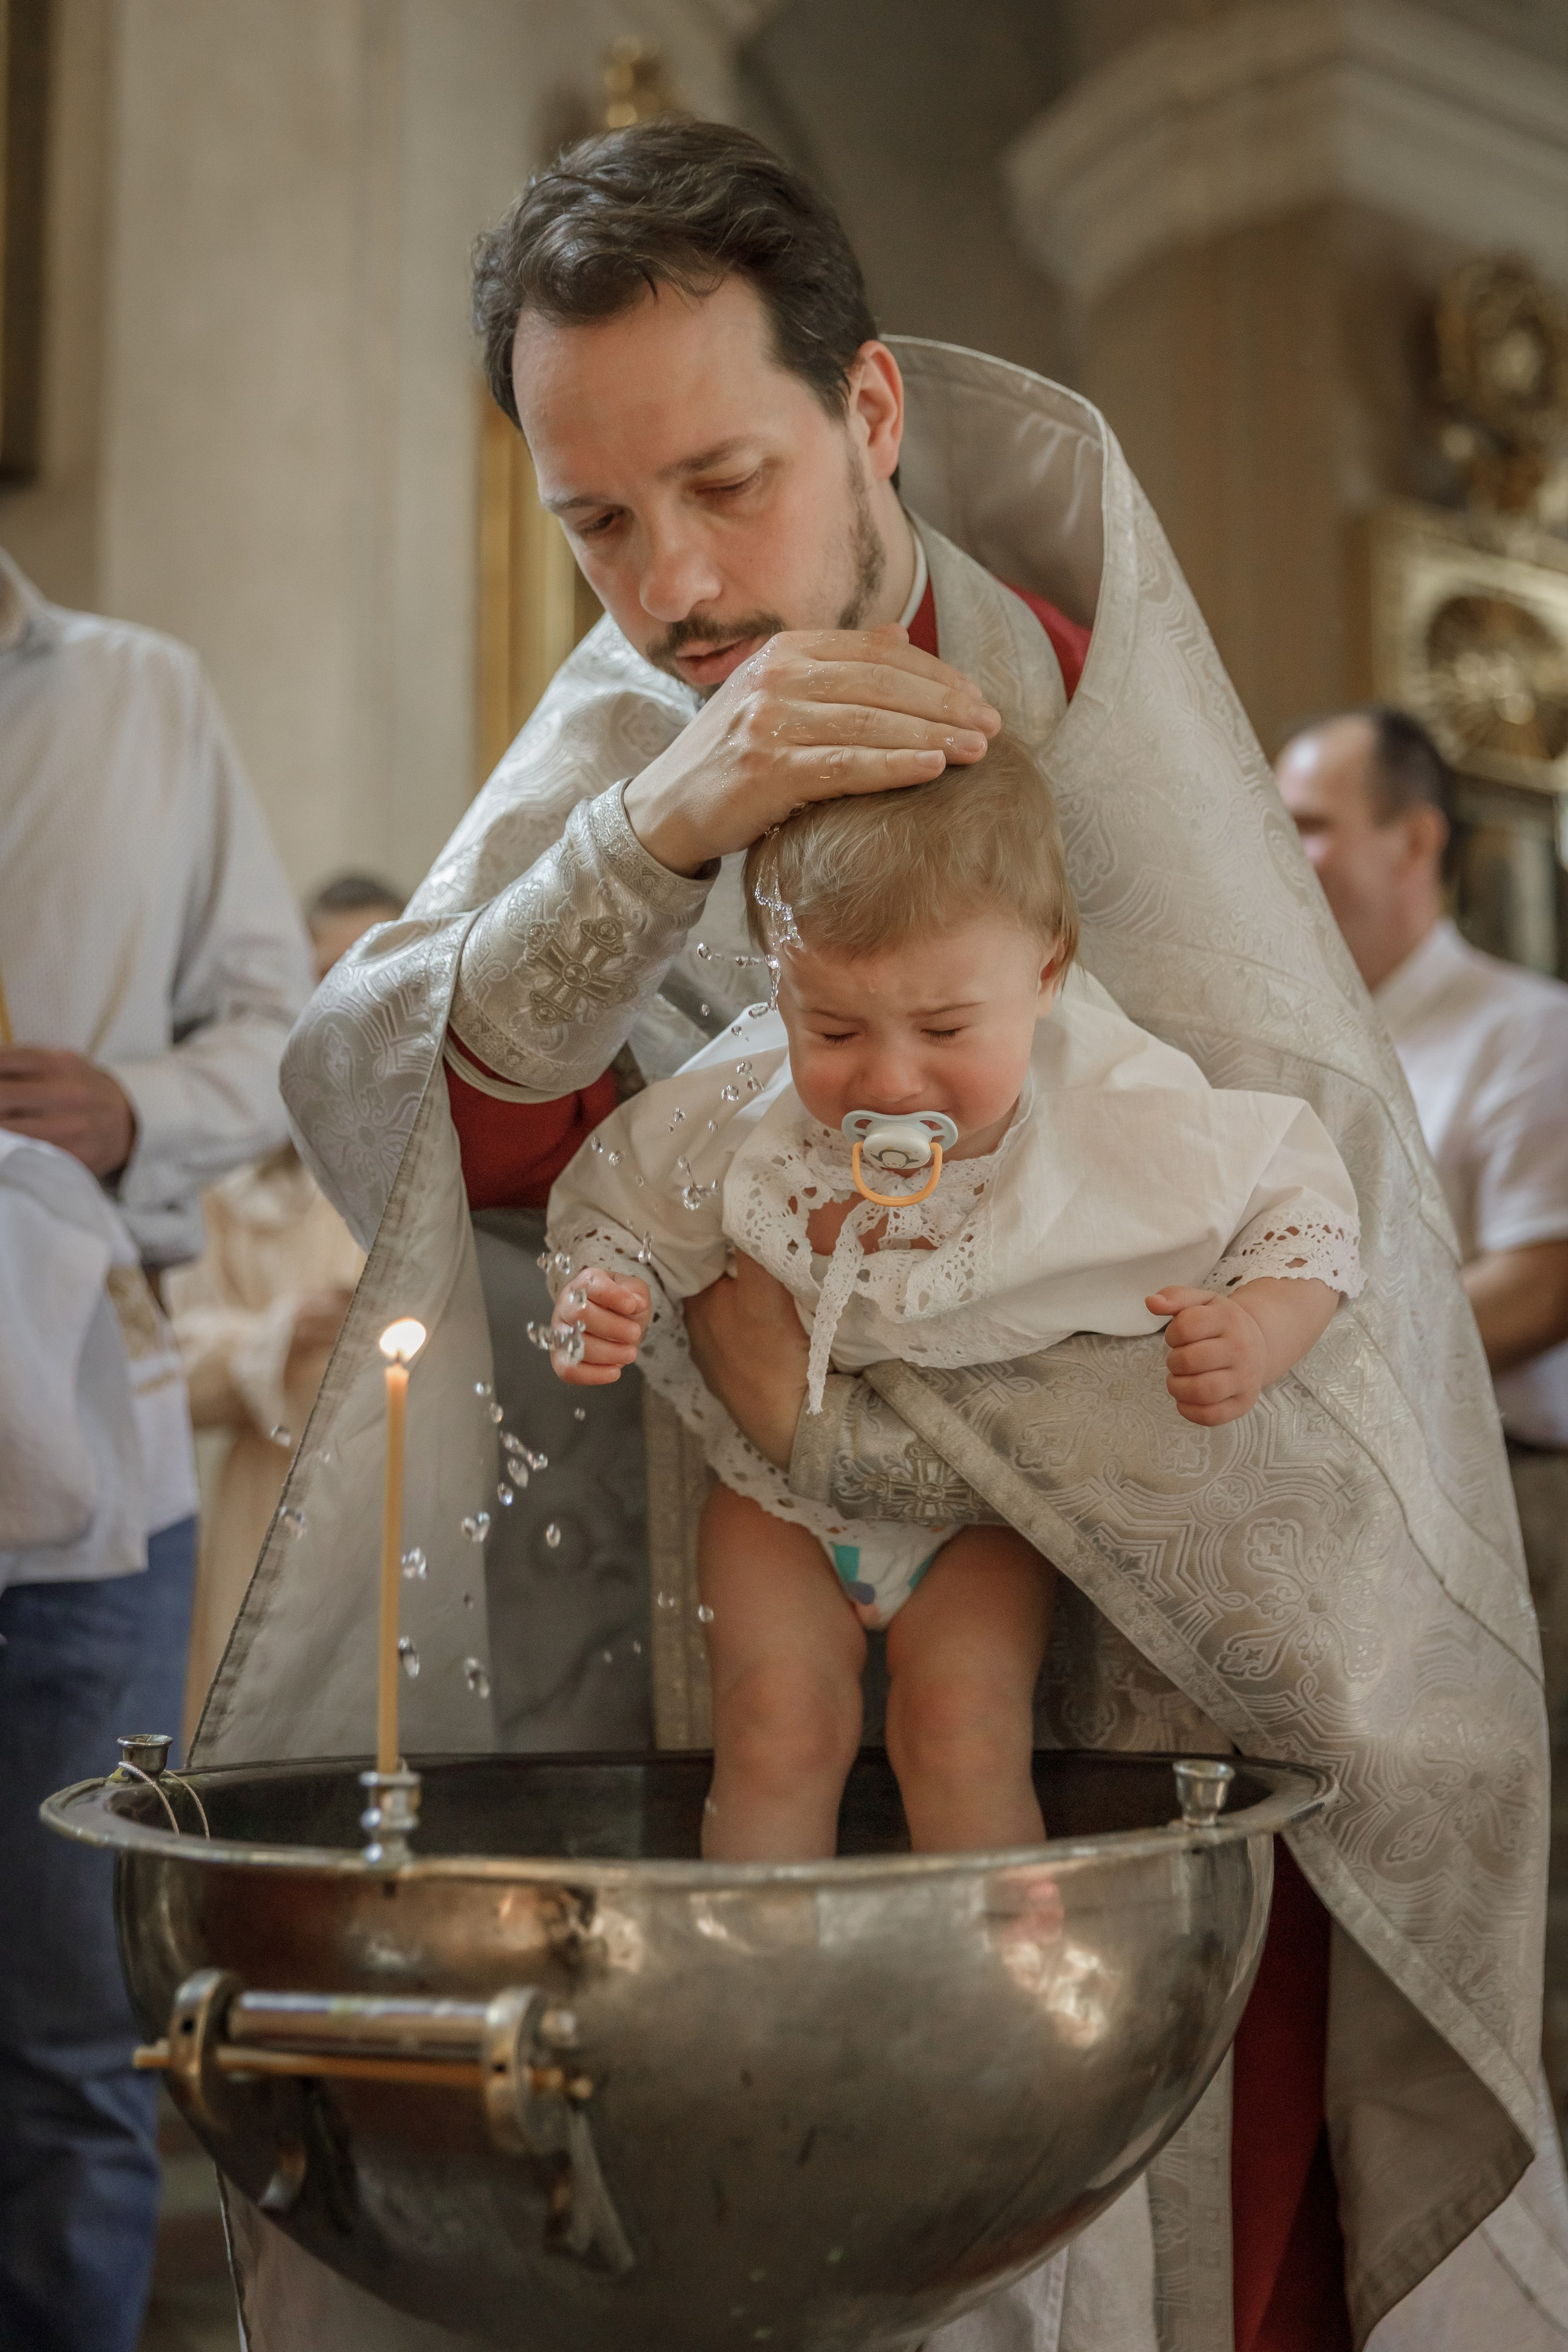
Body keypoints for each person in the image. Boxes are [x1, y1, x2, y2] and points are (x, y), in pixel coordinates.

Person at [215, 122, 1563, 2352]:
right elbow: (424, 1123)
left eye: (725, 481)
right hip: (734, 1605)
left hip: (1149, 1637)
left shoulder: (1091, 711)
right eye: (598, 522)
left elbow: (1291, 1175)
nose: (673, 586)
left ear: (866, 413)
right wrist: (647, 847)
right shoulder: (623, 737)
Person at [547, 736, 1359, 1861]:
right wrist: (604, 1292)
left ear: (1044, 973)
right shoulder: (744, 1116)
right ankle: (753, 1994)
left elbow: (1300, 1194)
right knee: (775, 1734)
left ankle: (997, 1994)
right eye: (831, 1030)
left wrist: (1262, 1324)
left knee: (964, 1735)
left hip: (975, 1518)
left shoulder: (1112, 1110)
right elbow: (616, 1208)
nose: (886, 1081)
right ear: (778, 988)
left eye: (943, 1032)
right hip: (772, 1504)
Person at [0, 545, 311, 2352]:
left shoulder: (140, 696)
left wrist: (133, 1111)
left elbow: (283, 1033)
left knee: (67, 2052)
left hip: (91, 1489)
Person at [1275, 707, 1568, 1706]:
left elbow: (1545, 1282)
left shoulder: (1529, 1035)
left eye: (1312, 825)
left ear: (1416, 837)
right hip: (1320, 1494)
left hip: (1502, 1493)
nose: (1287, 857)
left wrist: (1310, 1356)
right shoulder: (1283, 1039)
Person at [167, 874, 404, 1736]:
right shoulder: (234, 1178)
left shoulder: (446, 1144)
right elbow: (163, 1360)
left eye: (371, 966)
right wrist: (275, 1335)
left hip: (404, 1496)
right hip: (267, 1504)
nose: (346, 996)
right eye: (325, 972)